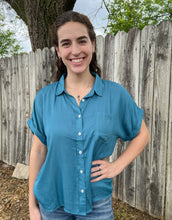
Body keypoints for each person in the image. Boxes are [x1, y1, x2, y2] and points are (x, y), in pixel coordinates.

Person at [27, 11, 150, 220]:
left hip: (97, 204)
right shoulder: (44, 98)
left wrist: (116, 165)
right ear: (57, 50)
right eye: (66, 43)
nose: (75, 50)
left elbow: (142, 134)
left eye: (81, 41)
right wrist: (32, 206)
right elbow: (38, 151)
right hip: (51, 202)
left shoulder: (115, 95)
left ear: (93, 44)